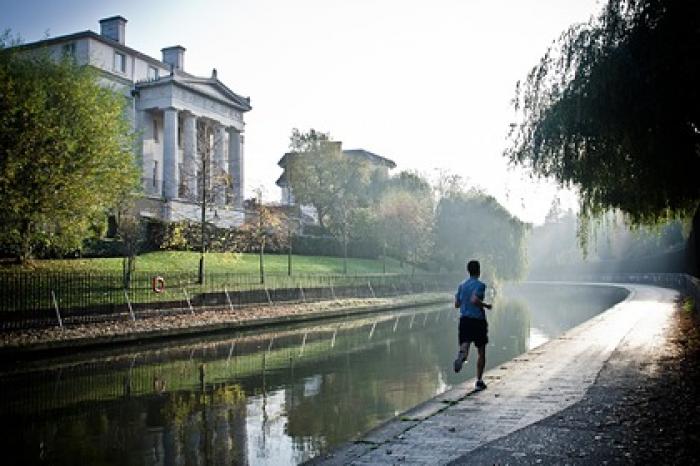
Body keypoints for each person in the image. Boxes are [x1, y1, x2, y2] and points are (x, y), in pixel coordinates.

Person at [453, 259, 492, 390]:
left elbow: (456, 304)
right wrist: (486, 305)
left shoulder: (461, 285)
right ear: (479, 271)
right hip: (478, 321)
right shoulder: (480, 285)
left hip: (464, 320)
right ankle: (479, 381)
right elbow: (475, 299)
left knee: (465, 345)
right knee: (481, 351)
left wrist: (465, 303)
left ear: (468, 271)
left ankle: (461, 356)